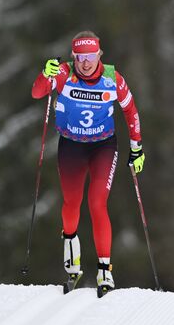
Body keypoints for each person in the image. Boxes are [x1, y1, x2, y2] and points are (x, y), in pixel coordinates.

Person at [31, 30, 145, 294]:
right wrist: (45, 75)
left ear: (99, 55)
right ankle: (73, 261)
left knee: (97, 202)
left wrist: (136, 147)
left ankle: (105, 270)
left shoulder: (112, 79)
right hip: (71, 146)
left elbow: (131, 110)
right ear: (74, 56)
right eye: (80, 57)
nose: (85, 62)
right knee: (72, 203)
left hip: (103, 146)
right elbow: (38, 93)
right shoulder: (62, 73)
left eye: (90, 56)